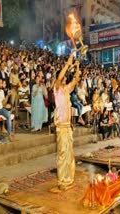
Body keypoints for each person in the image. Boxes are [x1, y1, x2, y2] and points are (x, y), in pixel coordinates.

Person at [50, 54, 80, 193]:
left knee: (69, 153)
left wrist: (77, 67)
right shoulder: (57, 89)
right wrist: (68, 64)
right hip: (61, 128)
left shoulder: (67, 90)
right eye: (61, 78)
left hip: (68, 127)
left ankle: (68, 177)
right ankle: (62, 180)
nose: (63, 80)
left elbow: (76, 80)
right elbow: (59, 78)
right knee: (62, 153)